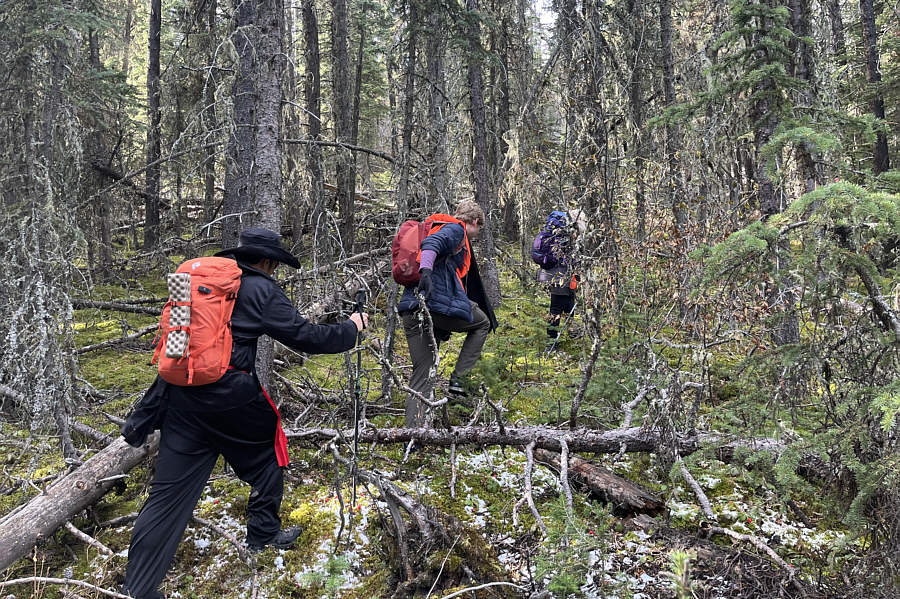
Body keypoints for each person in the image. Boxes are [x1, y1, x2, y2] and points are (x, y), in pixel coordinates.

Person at [120, 228, 368, 599]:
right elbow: (309, 338)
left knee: (165, 498)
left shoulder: (189, 280)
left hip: (182, 400)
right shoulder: (262, 289)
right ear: (267, 262)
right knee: (272, 451)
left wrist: (150, 409)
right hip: (231, 398)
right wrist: (353, 328)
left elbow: (176, 349)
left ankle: (137, 589)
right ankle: (264, 533)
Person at [396, 200, 497, 427]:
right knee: (482, 323)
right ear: (474, 222)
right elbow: (432, 244)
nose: (477, 233)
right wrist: (427, 272)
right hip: (433, 306)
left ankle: (415, 434)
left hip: (411, 310)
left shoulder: (437, 225)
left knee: (423, 374)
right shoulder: (455, 229)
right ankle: (460, 380)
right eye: (479, 229)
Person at [534, 211, 578, 350]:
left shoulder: (558, 232)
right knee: (556, 308)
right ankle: (551, 342)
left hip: (556, 274)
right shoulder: (565, 234)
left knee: (569, 302)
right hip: (559, 275)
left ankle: (571, 332)